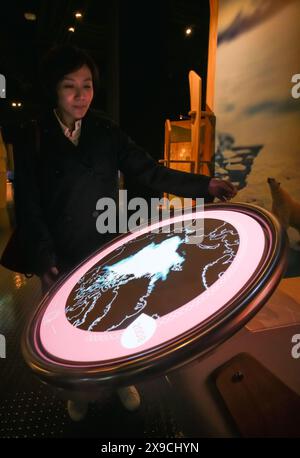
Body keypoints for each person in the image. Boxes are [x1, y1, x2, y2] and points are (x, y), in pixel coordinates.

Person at [11, 45, 237, 417]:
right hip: (57, 252)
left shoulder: (105, 131)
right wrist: (44, 258)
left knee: (113, 316)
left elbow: (151, 171)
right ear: (53, 89)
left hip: (103, 246)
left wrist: (205, 185)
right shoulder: (33, 134)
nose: (81, 95)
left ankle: (119, 380)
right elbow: (29, 205)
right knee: (69, 329)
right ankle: (78, 391)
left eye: (87, 85)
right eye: (70, 86)